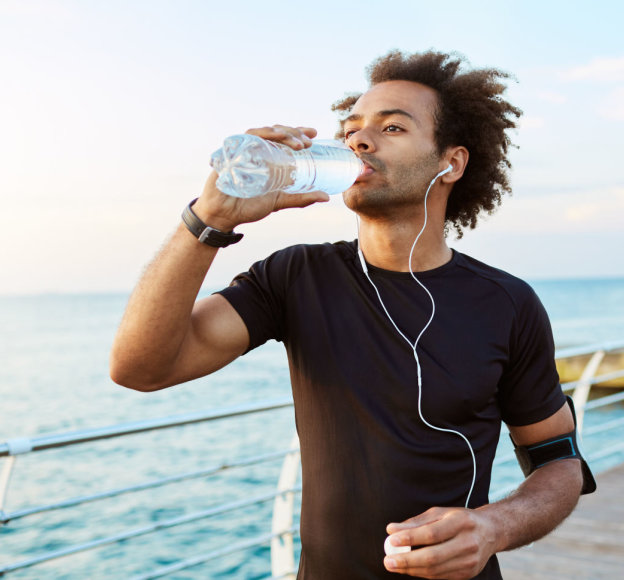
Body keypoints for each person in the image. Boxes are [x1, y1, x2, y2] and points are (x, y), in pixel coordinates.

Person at [110, 50, 592, 580]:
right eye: (352, 129)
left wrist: (494, 527)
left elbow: (558, 463)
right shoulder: (295, 277)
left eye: (391, 127)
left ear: (450, 163)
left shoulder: (507, 303)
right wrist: (209, 220)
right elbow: (140, 368)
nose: (360, 141)